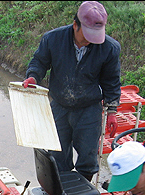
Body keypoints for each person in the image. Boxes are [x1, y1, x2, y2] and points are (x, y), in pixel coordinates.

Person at [22, 1, 121, 182]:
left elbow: (111, 81)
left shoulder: (109, 48)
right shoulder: (53, 39)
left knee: (88, 158)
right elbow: (39, 62)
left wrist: (112, 110)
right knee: (57, 154)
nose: (91, 39)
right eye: (88, 34)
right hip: (59, 105)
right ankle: (61, 194)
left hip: (89, 109)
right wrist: (33, 77)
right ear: (76, 25)